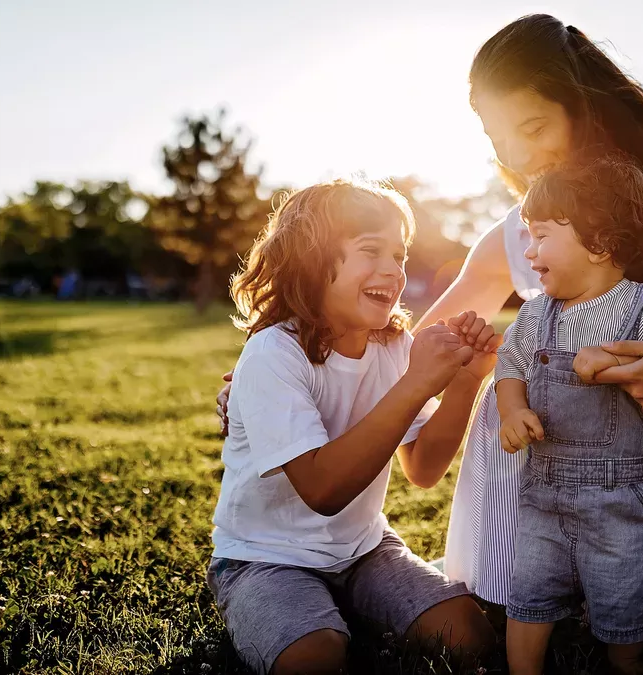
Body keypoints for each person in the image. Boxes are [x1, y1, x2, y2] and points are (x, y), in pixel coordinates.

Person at [217, 15, 643, 674]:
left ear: (586, 107)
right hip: (590, 443)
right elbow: (419, 336)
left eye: (533, 125)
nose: (518, 156)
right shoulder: (517, 235)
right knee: (507, 395)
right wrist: (262, 375)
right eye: (500, 139)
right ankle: (547, 582)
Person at [208, 179, 496, 675]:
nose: (393, 269)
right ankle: (284, 607)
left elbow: (424, 468)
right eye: (371, 251)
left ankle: (346, 600)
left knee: (470, 638)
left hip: (364, 548)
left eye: (400, 256)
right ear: (312, 260)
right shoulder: (273, 354)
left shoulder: (392, 348)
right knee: (313, 658)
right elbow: (322, 490)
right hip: (265, 556)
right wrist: (416, 385)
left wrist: (466, 381)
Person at [496, 157, 643, 675]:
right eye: (527, 235)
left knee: (625, 589)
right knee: (531, 589)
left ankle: (625, 659)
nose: (529, 251)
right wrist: (513, 408)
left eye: (540, 235)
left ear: (600, 243)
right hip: (544, 493)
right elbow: (511, 365)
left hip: (625, 498)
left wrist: (614, 358)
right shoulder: (534, 313)